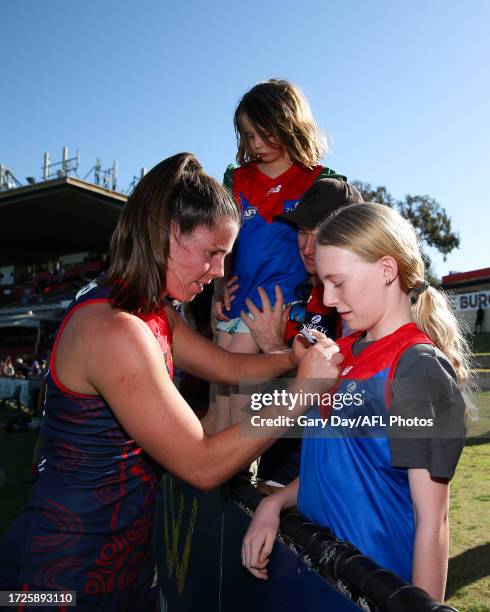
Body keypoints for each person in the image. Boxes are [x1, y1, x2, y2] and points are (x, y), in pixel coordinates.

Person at [0, 153, 343, 611]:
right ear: (166, 233)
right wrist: (302, 394)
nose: (220, 272)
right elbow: (202, 464)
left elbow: (227, 366)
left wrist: (290, 358)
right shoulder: (116, 329)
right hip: (62, 573)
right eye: (212, 253)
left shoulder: (151, 309)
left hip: (124, 560)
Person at [242, 203, 471, 603]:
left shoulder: (416, 367)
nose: (328, 299)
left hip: (373, 591)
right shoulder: (338, 354)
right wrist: (275, 501)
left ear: (386, 270)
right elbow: (339, 462)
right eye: (322, 283)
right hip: (316, 579)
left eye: (338, 282)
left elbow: (432, 519)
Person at [212, 78, 346, 428]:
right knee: (220, 404)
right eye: (248, 135)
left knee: (241, 409)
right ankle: (215, 473)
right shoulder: (237, 179)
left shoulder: (321, 181)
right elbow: (222, 239)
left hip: (281, 309)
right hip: (238, 303)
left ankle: (238, 474)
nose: (255, 144)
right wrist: (219, 286)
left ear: (289, 123)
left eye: (263, 133)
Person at [238, 178, 363, 485]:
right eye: (302, 233)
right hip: (280, 458)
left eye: (319, 235)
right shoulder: (295, 289)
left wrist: (271, 346)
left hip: (331, 473)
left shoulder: (361, 302)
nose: (308, 248)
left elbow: (340, 393)